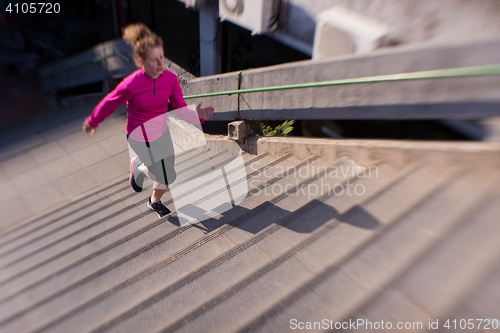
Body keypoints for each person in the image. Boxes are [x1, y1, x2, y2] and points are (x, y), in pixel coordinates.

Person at [82, 23, 214, 218]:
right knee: (167, 175)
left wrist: (197, 116)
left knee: (168, 177)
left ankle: (154, 201)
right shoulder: (131, 83)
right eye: (154, 60)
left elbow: (179, 108)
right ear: (141, 60)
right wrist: (93, 120)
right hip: (139, 135)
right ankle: (139, 165)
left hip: (161, 132)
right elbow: (110, 101)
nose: (160, 64)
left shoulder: (170, 79)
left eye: (161, 57)